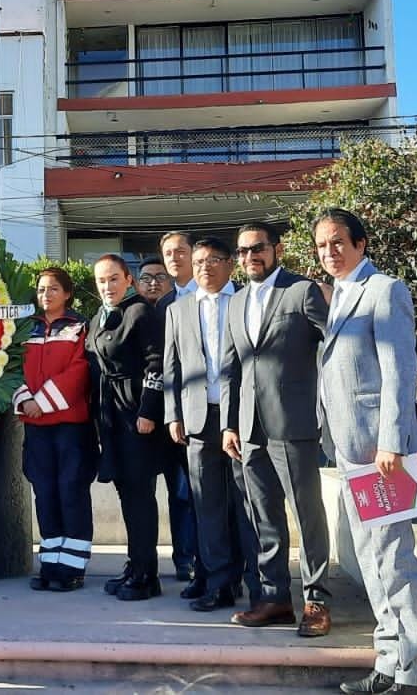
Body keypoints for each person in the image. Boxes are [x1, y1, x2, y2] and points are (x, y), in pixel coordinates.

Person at [314, 209, 417, 695]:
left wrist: (391, 438)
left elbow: (399, 370)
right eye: (322, 245)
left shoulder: (384, 290)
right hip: (351, 451)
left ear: (361, 244)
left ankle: (416, 672)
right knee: (370, 559)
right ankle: (390, 659)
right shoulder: (340, 294)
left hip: (381, 451)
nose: (329, 252)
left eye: (339, 242)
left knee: (392, 558)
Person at [221, 221, 332, 636]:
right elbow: (231, 369)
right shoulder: (235, 302)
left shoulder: (301, 291)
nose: (249, 257)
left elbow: (336, 346)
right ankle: (274, 599)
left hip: (294, 425)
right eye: (243, 252)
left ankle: (316, 601)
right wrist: (228, 425)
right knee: (263, 517)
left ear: (277, 249)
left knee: (307, 516)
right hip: (249, 431)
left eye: (257, 249)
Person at [163, 237, 259, 613]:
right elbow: (172, 367)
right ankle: (219, 584)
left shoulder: (246, 301)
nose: (205, 267)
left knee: (247, 504)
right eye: (199, 261)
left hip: (243, 417)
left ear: (230, 265)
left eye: (213, 260)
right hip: (198, 418)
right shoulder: (179, 309)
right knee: (207, 505)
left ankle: (255, 582)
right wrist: (173, 414)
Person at [87, 254, 164, 601]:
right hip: (111, 416)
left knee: (140, 496)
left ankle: (147, 576)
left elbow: (156, 363)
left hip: (136, 415)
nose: (108, 286)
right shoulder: (99, 318)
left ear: (128, 280)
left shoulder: (140, 312)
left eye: (114, 279)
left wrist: (148, 411)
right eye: (102, 281)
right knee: (126, 494)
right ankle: (134, 566)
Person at [14, 268, 96, 592]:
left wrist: (43, 401)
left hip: (70, 425)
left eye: (53, 289)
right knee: (44, 493)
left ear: (67, 294)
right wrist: (26, 401)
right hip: (37, 428)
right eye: (41, 289)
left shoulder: (80, 328)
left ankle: (72, 569)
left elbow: (81, 370)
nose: (46, 294)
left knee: (71, 491)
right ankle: (50, 564)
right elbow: (10, 367)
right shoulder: (26, 329)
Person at [154, 231, 205, 593]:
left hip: (216, 414)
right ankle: (185, 560)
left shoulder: (221, 296)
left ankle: (216, 561)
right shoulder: (163, 305)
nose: (174, 258)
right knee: (180, 493)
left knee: (213, 495)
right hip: (175, 416)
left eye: (180, 251)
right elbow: (163, 365)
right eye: (168, 253)